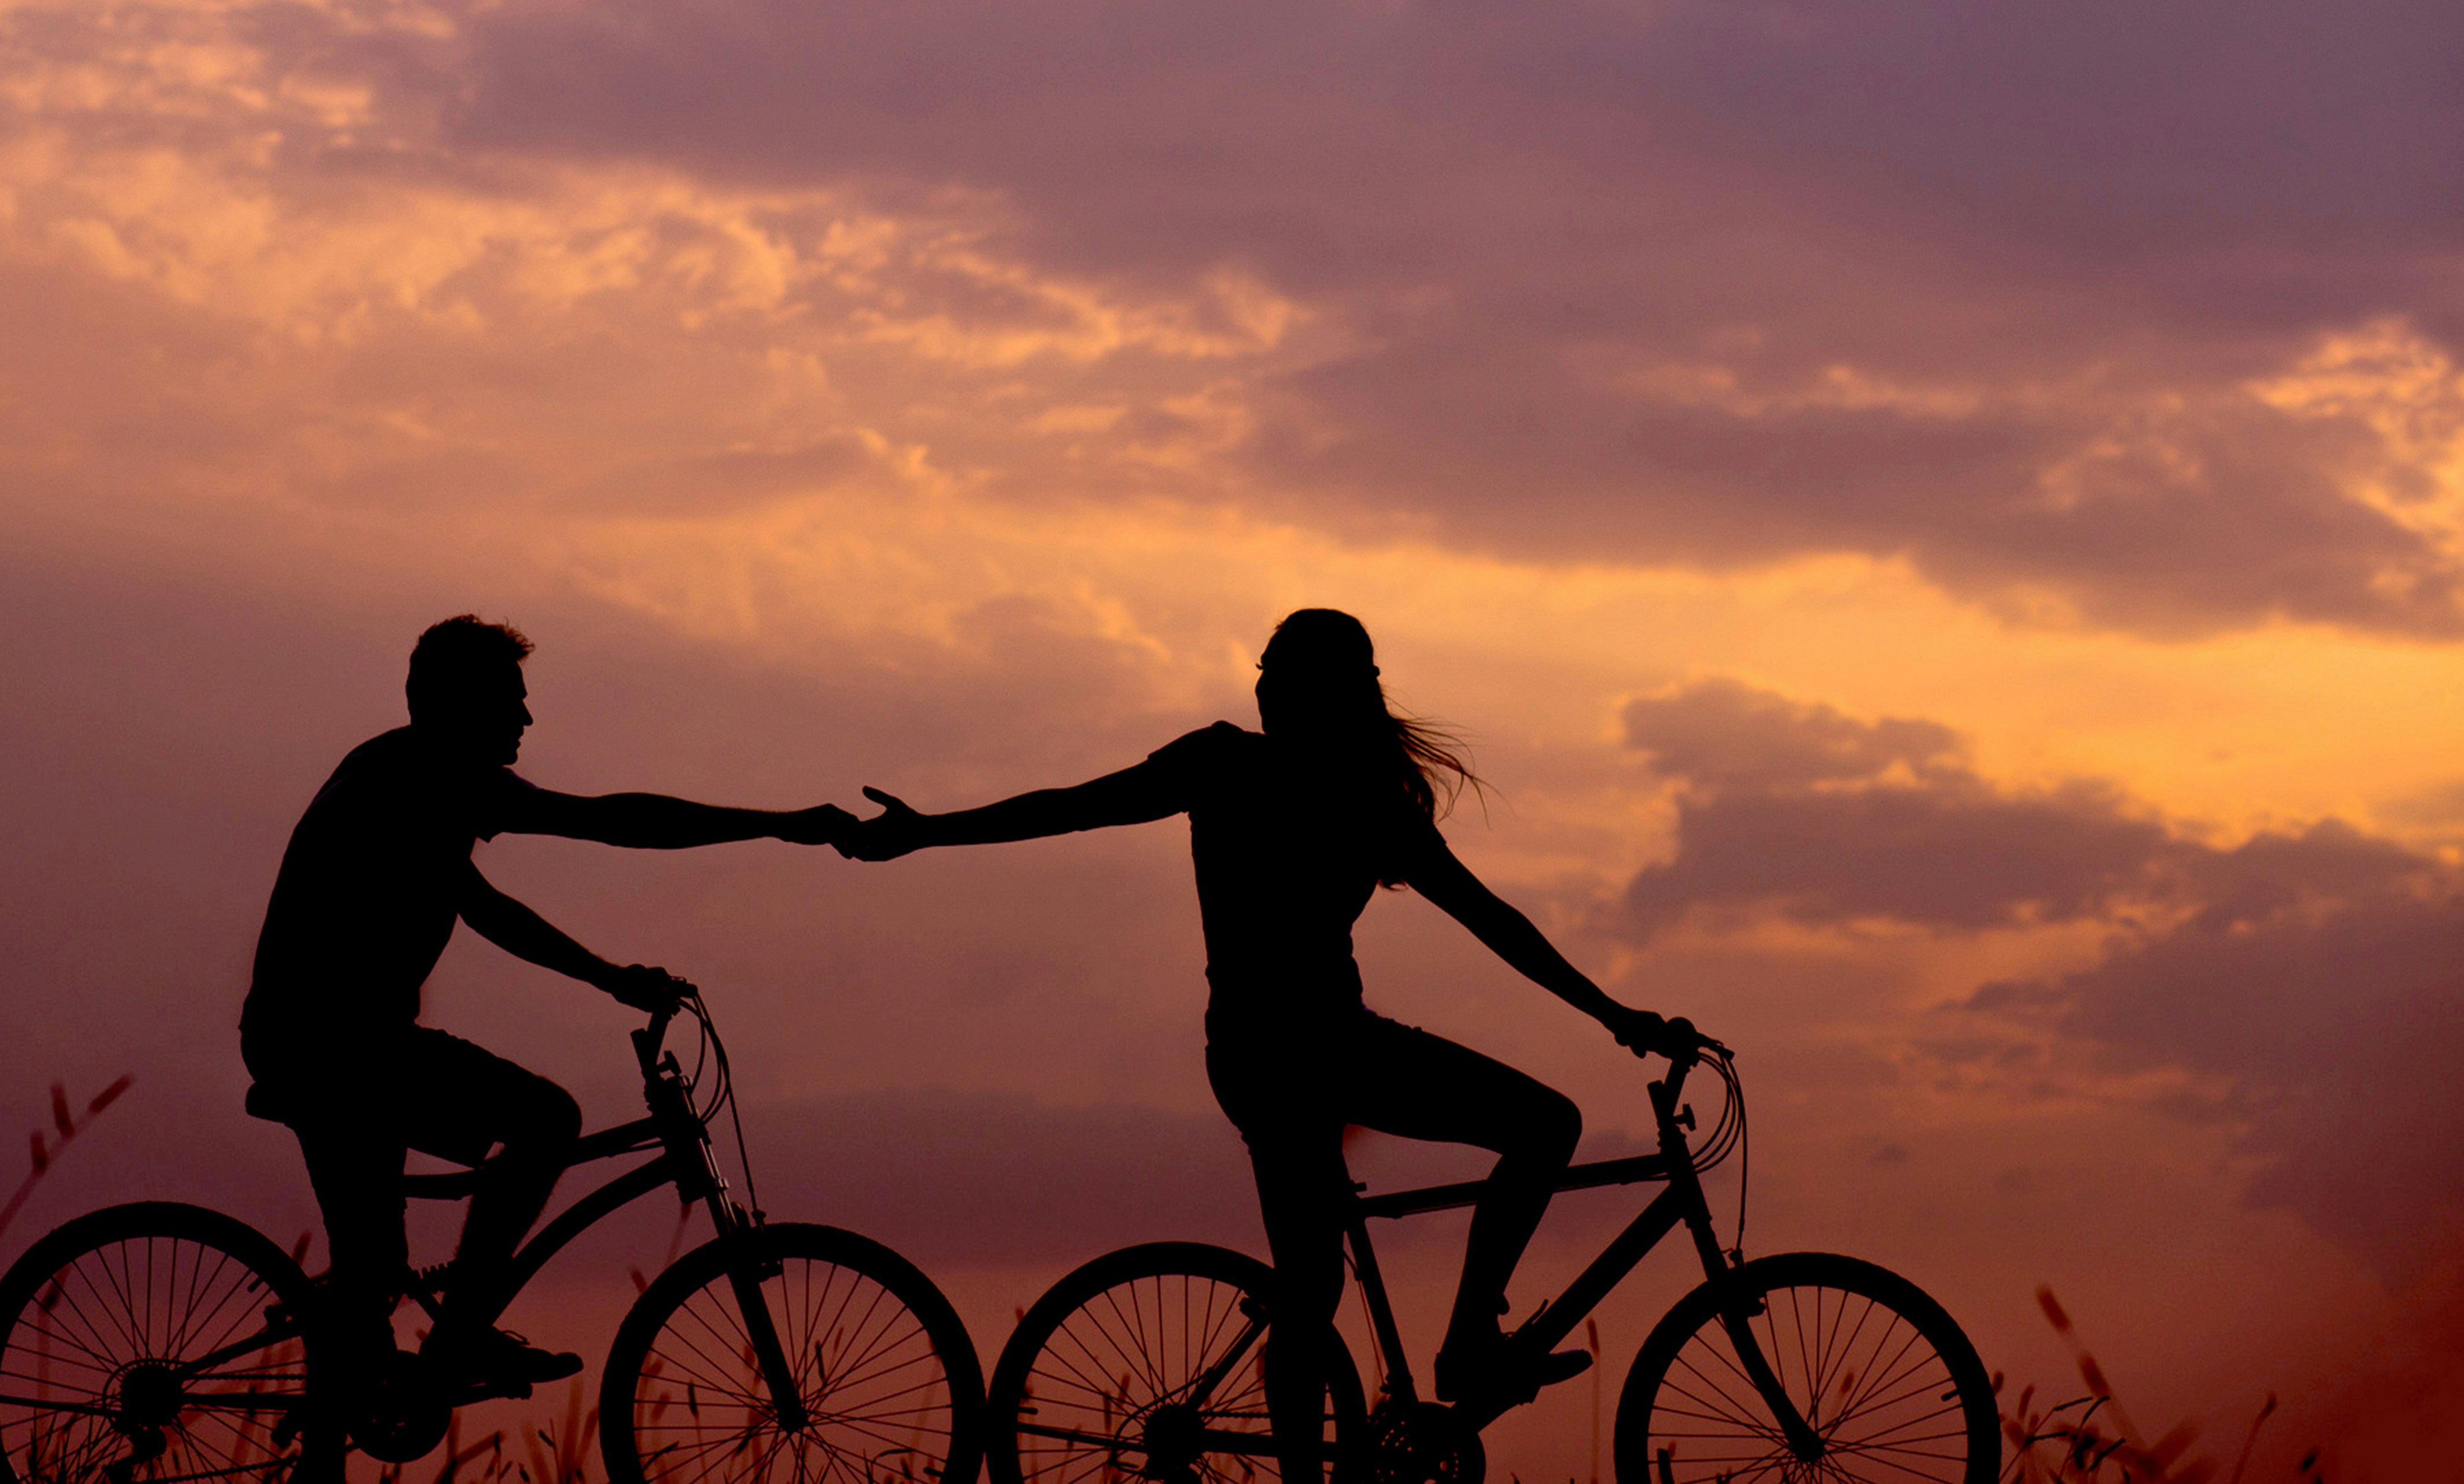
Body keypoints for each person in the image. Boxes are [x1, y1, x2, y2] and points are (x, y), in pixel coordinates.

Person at [840, 608, 1699, 1474]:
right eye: (1263, 669)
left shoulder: (1304, 784)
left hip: (1264, 1055)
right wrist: (1615, 1017)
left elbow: (1492, 921)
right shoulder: (1295, 781)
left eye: (1277, 671)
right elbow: (1071, 809)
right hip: (1317, 1051)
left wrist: (1612, 1013)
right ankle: (1471, 1340)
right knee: (1538, 1129)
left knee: (1312, 1286)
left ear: (1320, 691)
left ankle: (1361, 1428)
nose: (1260, 686)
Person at [241, 614, 851, 1417]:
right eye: (511, 700)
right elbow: (610, 821)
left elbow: (484, 907)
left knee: (374, 1284)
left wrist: (609, 976)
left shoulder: (404, 775)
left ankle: (391, 1359)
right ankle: (456, 1337)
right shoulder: (430, 777)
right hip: (333, 1049)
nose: (527, 719)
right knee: (544, 1120)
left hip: (342, 1046)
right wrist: (775, 823)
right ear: (461, 703)